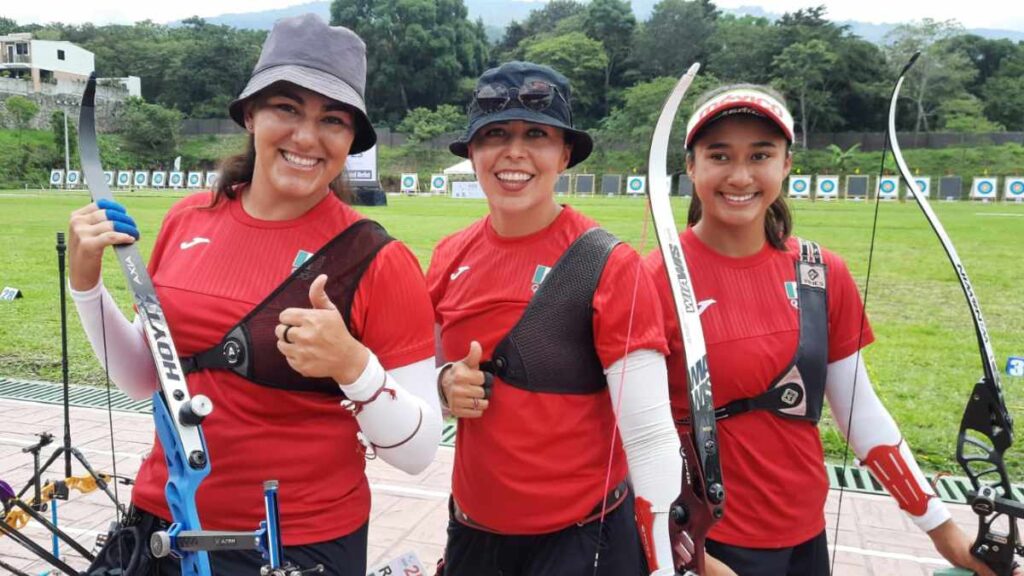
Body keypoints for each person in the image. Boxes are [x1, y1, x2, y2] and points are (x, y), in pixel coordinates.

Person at [69, 14, 441, 575]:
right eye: (286, 109)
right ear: (251, 114)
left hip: (295, 544)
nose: (307, 137)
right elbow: (150, 377)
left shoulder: (378, 261)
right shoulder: (188, 217)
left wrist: (354, 367)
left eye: (333, 120)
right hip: (165, 521)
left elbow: (416, 454)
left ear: (350, 139)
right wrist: (86, 283)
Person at [644, 83, 1009, 576]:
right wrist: (694, 557)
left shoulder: (818, 273)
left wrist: (947, 535)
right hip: (710, 541)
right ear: (691, 166)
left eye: (760, 155)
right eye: (719, 155)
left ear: (787, 164)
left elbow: (862, 415)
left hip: (804, 533)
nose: (740, 175)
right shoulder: (652, 277)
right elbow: (631, 439)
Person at [427, 61, 684, 576]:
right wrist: (443, 384)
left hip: (581, 539)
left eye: (536, 135)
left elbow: (651, 432)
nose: (514, 152)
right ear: (472, 151)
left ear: (564, 154)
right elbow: (421, 380)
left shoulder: (608, 263)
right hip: (473, 534)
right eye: (494, 134)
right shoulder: (449, 255)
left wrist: (659, 557)